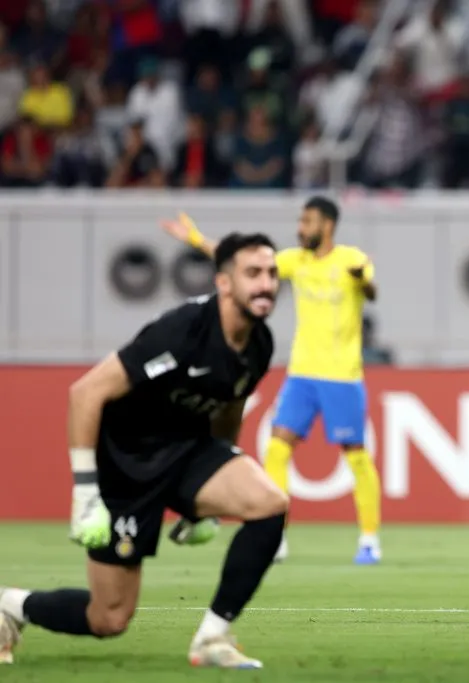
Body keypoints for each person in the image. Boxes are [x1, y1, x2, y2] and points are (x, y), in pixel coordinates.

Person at [0, 233, 284, 668]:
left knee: (270, 504)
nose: (266, 283)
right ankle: (12, 606)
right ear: (224, 283)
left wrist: (211, 489)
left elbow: (230, 405)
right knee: (109, 617)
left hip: (189, 452)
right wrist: (85, 491)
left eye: (271, 273)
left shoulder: (259, 344)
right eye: (253, 274)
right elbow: (85, 394)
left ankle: (212, 638)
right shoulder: (181, 330)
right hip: (126, 466)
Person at [160, 197, 383, 565]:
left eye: (307, 221)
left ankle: (370, 539)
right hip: (302, 375)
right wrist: (197, 240)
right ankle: (276, 534)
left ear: (326, 225)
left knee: (356, 457)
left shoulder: (350, 260)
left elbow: (371, 290)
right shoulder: (295, 261)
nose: (300, 227)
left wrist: (363, 279)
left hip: (342, 376)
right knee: (277, 450)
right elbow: (243, 265)